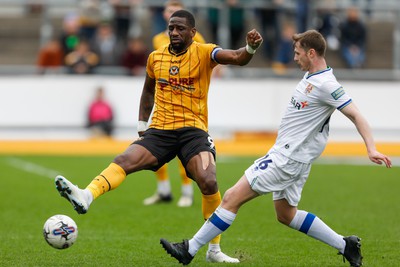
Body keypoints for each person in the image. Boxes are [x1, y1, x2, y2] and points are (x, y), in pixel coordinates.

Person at [160, 29, 392, 267]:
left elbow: (356, 115)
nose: (294, 58)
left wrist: (371, 148)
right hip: (293, 157)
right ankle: (346, 245)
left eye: (297, 52)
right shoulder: (313, 76)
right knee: (286, 214)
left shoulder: (326, 84)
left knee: (231, 197)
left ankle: (190, 249)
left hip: (287, 158)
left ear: (311, 53)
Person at [54, 9, 263, 263]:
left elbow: (238, 57)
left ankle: (214, 250)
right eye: (171, 28)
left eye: (180, 29)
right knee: (124, 160)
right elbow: (148, 90)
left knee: (208, 181)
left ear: (192, 33)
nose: (174, 32)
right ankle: (86, 195)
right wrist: (143, 126)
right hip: (161, 129)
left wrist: (250, 48)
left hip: (193, 131)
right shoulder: (155, 57)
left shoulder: (205, 51)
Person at [145, 0, 207, 208]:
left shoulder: (195, 37)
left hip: (187, 98)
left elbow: (202, 59)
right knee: (153, 142)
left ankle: (187, 192)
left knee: (184, 147)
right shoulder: (157, 40)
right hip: (164, 97)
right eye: (169, 11)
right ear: (164, 15)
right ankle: (163, 190)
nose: (171, 14)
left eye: (174, 11)